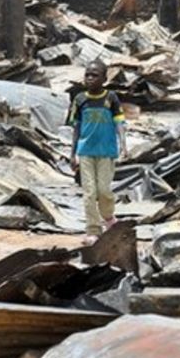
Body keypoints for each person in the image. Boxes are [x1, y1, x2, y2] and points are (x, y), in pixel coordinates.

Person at [68, 60, 127, 246]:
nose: (90, 78)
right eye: (87, 74)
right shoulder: (79, 100)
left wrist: (123, 144)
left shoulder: (111, 98)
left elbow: (119, 123)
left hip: (106, 152)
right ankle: (93, 230)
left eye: (95, 75)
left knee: (104, 190)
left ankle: (108, 217)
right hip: (85, 152)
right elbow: (76, 128)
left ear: (104, 78)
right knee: (89, 193)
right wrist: (72, 154)